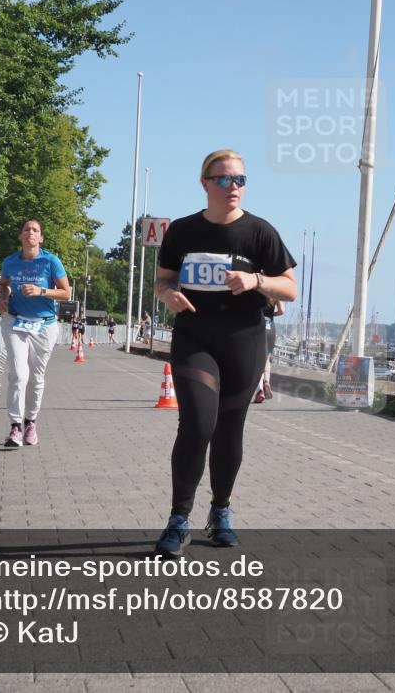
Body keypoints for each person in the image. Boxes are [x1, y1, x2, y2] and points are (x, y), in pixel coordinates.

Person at [153, 149, 297, 557]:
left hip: (244, 340)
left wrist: (255, 281)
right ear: (205, 183)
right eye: (224, 180)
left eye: (240, 180)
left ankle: (221, 511)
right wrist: (170, 296)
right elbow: (162, 281)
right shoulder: (182, 231)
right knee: (198, 423)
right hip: (195, 336)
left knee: (230, 428)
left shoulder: (260, 232)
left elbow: (289, 288)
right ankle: (179, 519)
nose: (233, 187)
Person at [0, 219, 71, 447]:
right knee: (18, 373)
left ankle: (31, 423)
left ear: (41, 238)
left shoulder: (50, 261)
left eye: (36, 230)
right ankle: (15, 426)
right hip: (15, 321)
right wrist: (3, 298)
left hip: (44, 325)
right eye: (27, 230)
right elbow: (4, 284)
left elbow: (66, 293)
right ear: (20, 236)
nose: (31, 233)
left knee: (36, 378)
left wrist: (41, 291)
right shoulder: (10, 262)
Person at [253, 300, 284, 403]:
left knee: (258, 359)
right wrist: (272, 314)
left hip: (257, 326)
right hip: (270, 327)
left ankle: (260, 390)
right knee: (267, 357)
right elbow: (282, 311)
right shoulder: (275, 292)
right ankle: (267, 381)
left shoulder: (255, 289)